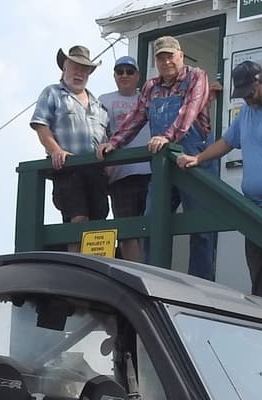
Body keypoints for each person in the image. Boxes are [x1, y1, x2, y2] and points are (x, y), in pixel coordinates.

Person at [177, 59, 262, 298]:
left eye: (250, 93)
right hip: (255, 207)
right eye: (243, 95)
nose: (247, 99)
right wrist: (198, 159)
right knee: (260, 277)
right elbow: (227, 142)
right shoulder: (246, 113)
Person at [101, 35, 215, 278]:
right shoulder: (151, 87)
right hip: (164, 166)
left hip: (196, 161)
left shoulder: (197, 77)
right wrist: (114, 142)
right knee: (151, 222)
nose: (166, 62)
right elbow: (136, 118)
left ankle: (203, 285)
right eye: (161, 58)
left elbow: (189, 112)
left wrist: (168, 136)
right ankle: (157, 280)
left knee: (202, 227)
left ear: (181, 56)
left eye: (170, 56)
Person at [30, 45, 110, 233]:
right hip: (68, 169)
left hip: (96, 171)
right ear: (64, 68)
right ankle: (76, 262)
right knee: (77, 218)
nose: (80, 73)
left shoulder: (99, 105)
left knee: (99, 224)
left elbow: (109, 137)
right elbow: (40, 124)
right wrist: (56, 150)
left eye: (85, 69)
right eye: (75, 67)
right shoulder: (52, 93)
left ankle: (93, 263)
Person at [100, 56, 148, 260]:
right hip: (120, 176)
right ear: (114, 75)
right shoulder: (103, 100)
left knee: (150, 227)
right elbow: (98, 133)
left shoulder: (148, 98)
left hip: (151, 172)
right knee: (126, 231)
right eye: (120, 71)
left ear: (137, 76)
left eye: (130, 71)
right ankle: (137, 275)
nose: (125, 75)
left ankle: (153, 274)